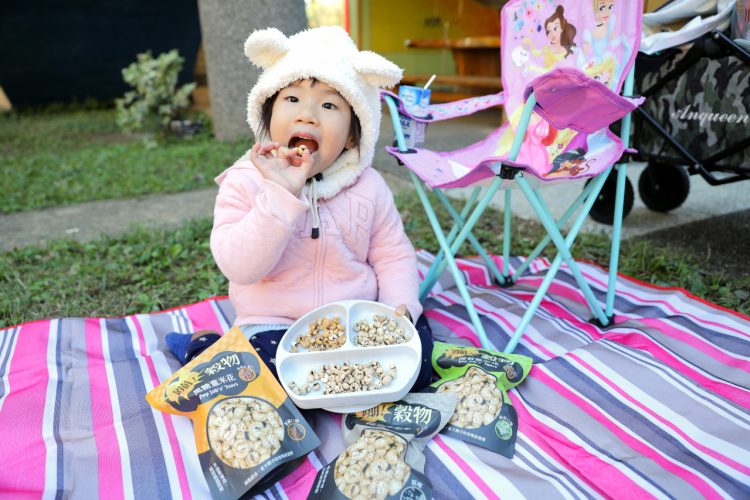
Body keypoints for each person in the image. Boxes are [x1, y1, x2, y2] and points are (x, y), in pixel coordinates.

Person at [167, 26, 434, 390]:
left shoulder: (369, 187)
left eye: (328, 105)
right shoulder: (244, 180)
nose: (307, 115)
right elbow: (239, 267)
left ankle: (371, 396)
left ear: (354, 134)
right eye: (291, 99)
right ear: (266, 112)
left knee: (418, 366)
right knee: (255, 382)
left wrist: (396, 308)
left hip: (355, 321)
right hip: (274, 325)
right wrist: (280, 193)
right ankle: (205, 347)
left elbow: (393, 255)